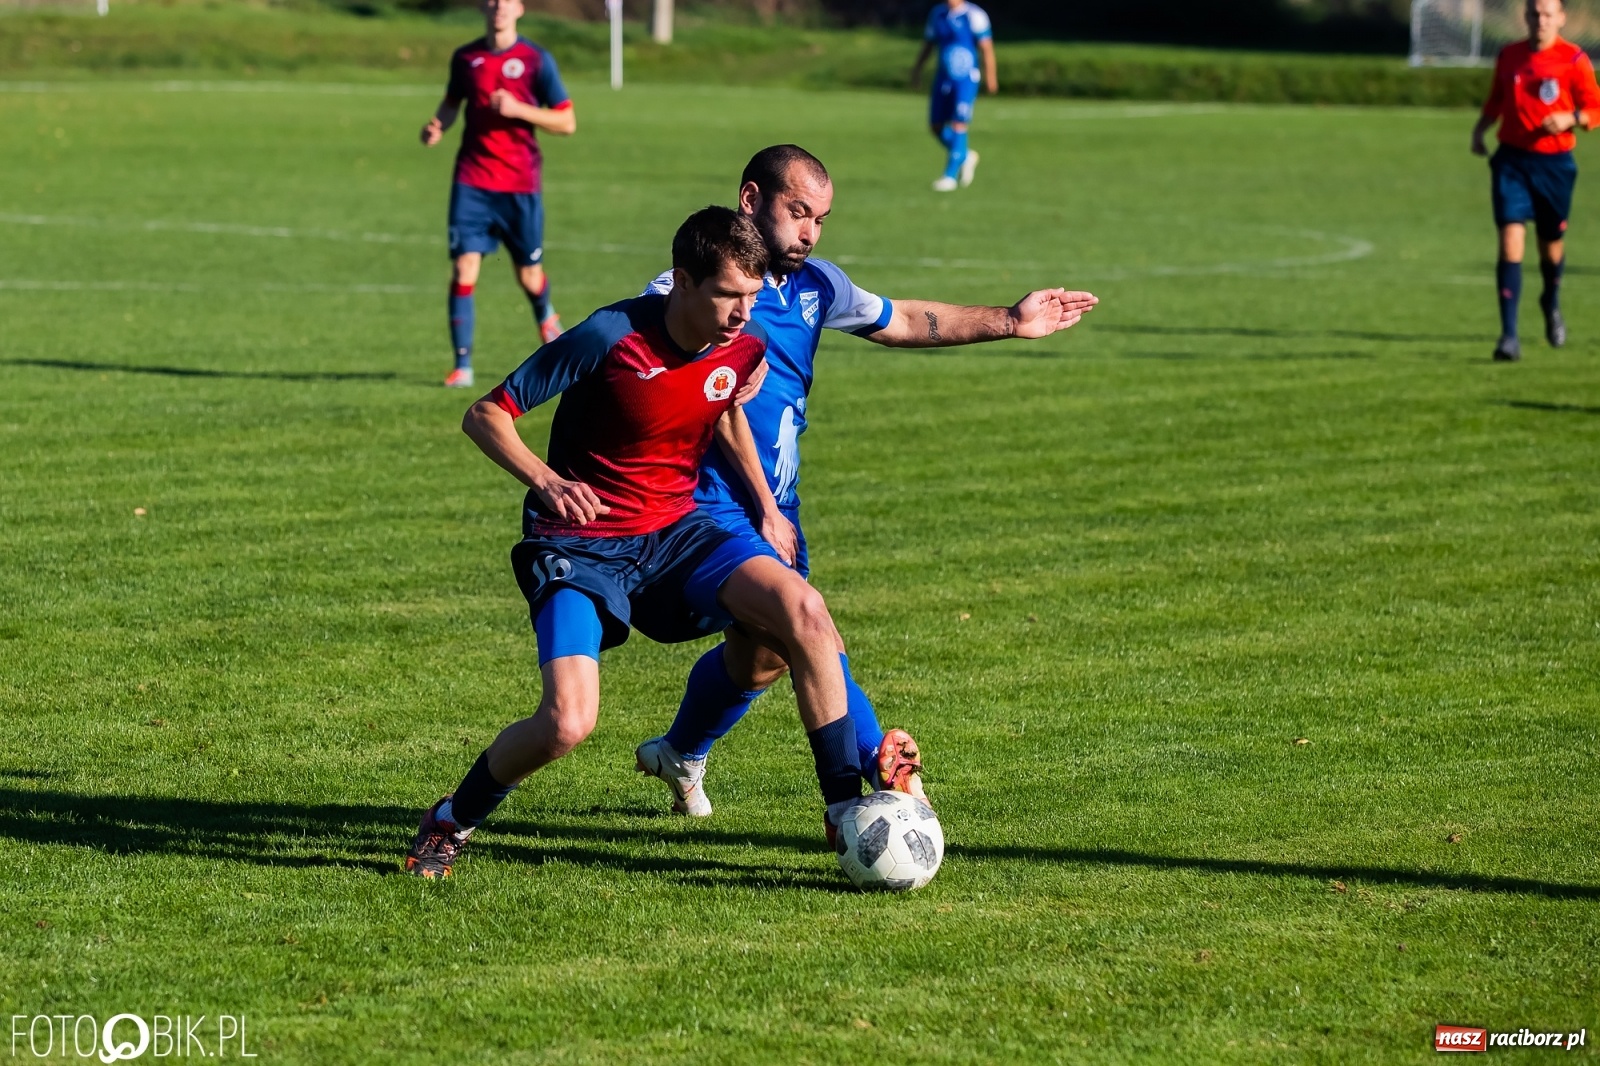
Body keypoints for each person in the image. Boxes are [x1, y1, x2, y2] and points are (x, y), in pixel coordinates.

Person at [403, 207, 879, 879]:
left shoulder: (742, 344)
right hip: (582, 540)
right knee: (567, 722)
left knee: (802, 611)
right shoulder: (609, 335)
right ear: (682, 282)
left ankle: (844, 812)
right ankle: (452, 818)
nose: (746, 313)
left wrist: (767, 509)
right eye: (728, 296)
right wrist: (546, 479)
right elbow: (486, 415)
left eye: (753, 295)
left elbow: (726, 413)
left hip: (680, 531)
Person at [632, 145, 1097, 819]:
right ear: (751, 200)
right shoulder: (691, 292)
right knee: (806, 626)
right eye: (798, 212)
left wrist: (1010, 321)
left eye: (819, 218)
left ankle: (680, 754)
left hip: (775, 512)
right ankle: (873, 777)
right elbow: (639, 358)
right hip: (700, 510)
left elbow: (902, 319)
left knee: (762, 658)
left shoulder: (818, 288)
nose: (810, 232)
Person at [421, 0, 576, 389]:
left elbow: (566, 121)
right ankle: (463, 365)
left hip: (520, 184)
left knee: (528, 275)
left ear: (519, 8)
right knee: (463, 269)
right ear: (482, 8)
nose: (499, 8)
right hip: (472, 181)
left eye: (506, 1)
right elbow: (452, 102)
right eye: (491, 2)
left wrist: (520, 109)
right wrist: (438, 124)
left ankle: (545, 316)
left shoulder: (536, 59)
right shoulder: (466, 58)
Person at [1472, 0, 1600, 361]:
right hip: (1511, 160)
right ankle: (1508, 337)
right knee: (1511, 240)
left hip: (1555, 166)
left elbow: (1596, 108)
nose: (1540, 21)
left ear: (1561, 18)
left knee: (1551, 244)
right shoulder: (1509, 55)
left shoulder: (1574, 60)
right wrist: (1480, 130)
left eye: (1547, 14)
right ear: (1525, 17)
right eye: (1534, 13)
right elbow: (1496, 99)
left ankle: (1551, 300)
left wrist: (1570, 118)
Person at [911, 0, 997, 192]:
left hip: (965, 79)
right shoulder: (938, 14)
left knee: (959, 123)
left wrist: (991, 75)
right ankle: (965, 155)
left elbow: (986, 47)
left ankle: (949, 176)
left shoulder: (974, 15)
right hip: (943, 77)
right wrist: (917, 69)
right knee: (936, 126)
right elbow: (928, 44)